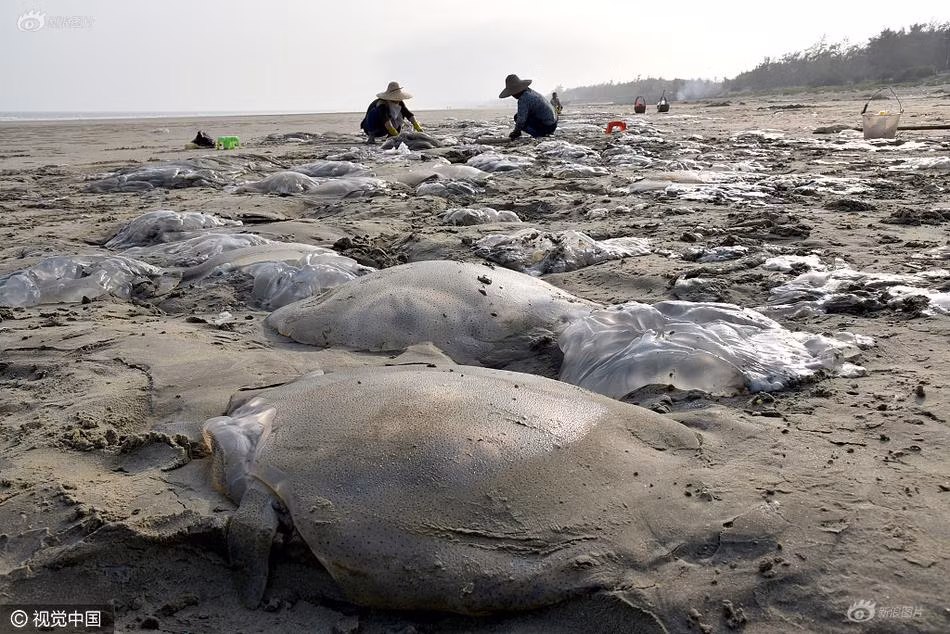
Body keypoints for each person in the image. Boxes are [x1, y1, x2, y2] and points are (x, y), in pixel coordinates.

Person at [498, 74, 557, 140]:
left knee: (517, 117)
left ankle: (539, 134)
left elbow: (521, 119)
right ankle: (544, 132)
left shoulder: (523, 99)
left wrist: (516, 132)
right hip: (553, 122)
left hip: (548, 126)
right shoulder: (530, 92)